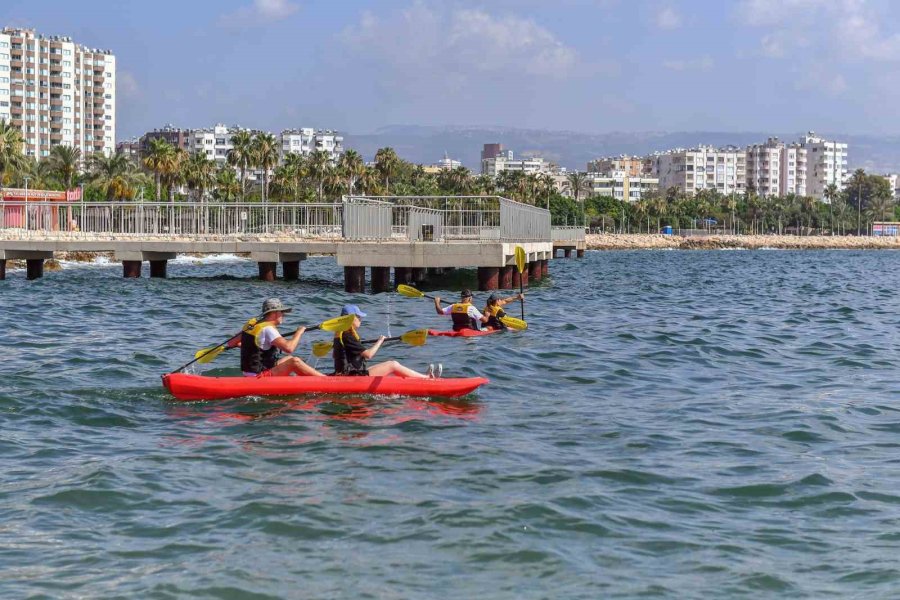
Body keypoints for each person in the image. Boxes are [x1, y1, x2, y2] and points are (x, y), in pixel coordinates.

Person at [333, 304, 434, 378]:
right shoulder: (348, 335)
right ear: (350, 319)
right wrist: (380, 341)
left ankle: (419, 378)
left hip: (351, 373)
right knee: (392, 365)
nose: (361, 319)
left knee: (389, 366)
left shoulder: (342, 334)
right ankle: (426, 378)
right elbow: (369, 355)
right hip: (351, 376)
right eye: (358, 317)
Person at [236, 298, 325, 378]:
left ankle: (305, 380)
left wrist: (251, 348)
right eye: (282, 312)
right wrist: (299, 332)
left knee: (289, 358)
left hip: (251, 372)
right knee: (295, 361)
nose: (283, 315)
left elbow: (234, 342)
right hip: (259, 376)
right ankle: (326, 380)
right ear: (275, 313)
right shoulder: (268, 328)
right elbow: (289, 348)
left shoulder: (253, 325)